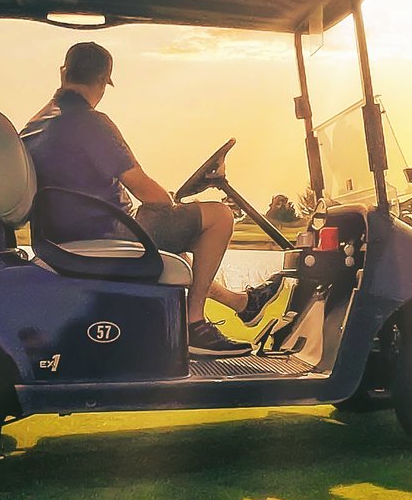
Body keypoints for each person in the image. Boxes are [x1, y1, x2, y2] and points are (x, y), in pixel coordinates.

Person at [21, 41, 270, 354]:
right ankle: (194, 325)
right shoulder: (92, 123)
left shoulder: (33, 126)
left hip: (55, 236)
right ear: (102, 82)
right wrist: (173, 204)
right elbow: (143, 189)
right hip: (106, 233)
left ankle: (242, 303)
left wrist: (176, 212)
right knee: (218, 217)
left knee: (188, 246)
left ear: (63, 73)